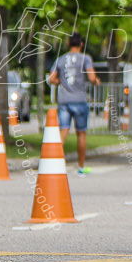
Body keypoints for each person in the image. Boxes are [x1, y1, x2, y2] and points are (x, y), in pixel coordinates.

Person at [49, 33, 100, 175]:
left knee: (63, 131)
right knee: (81, 133)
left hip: (64, 100)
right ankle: (81, 167)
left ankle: (54, 164)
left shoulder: (61, 59)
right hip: (79, 99)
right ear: (81, 44)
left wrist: (60, 82)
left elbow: (51, 78)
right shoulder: (85, 58)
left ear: (68, 43)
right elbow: (91, 77)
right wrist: (96, 81)